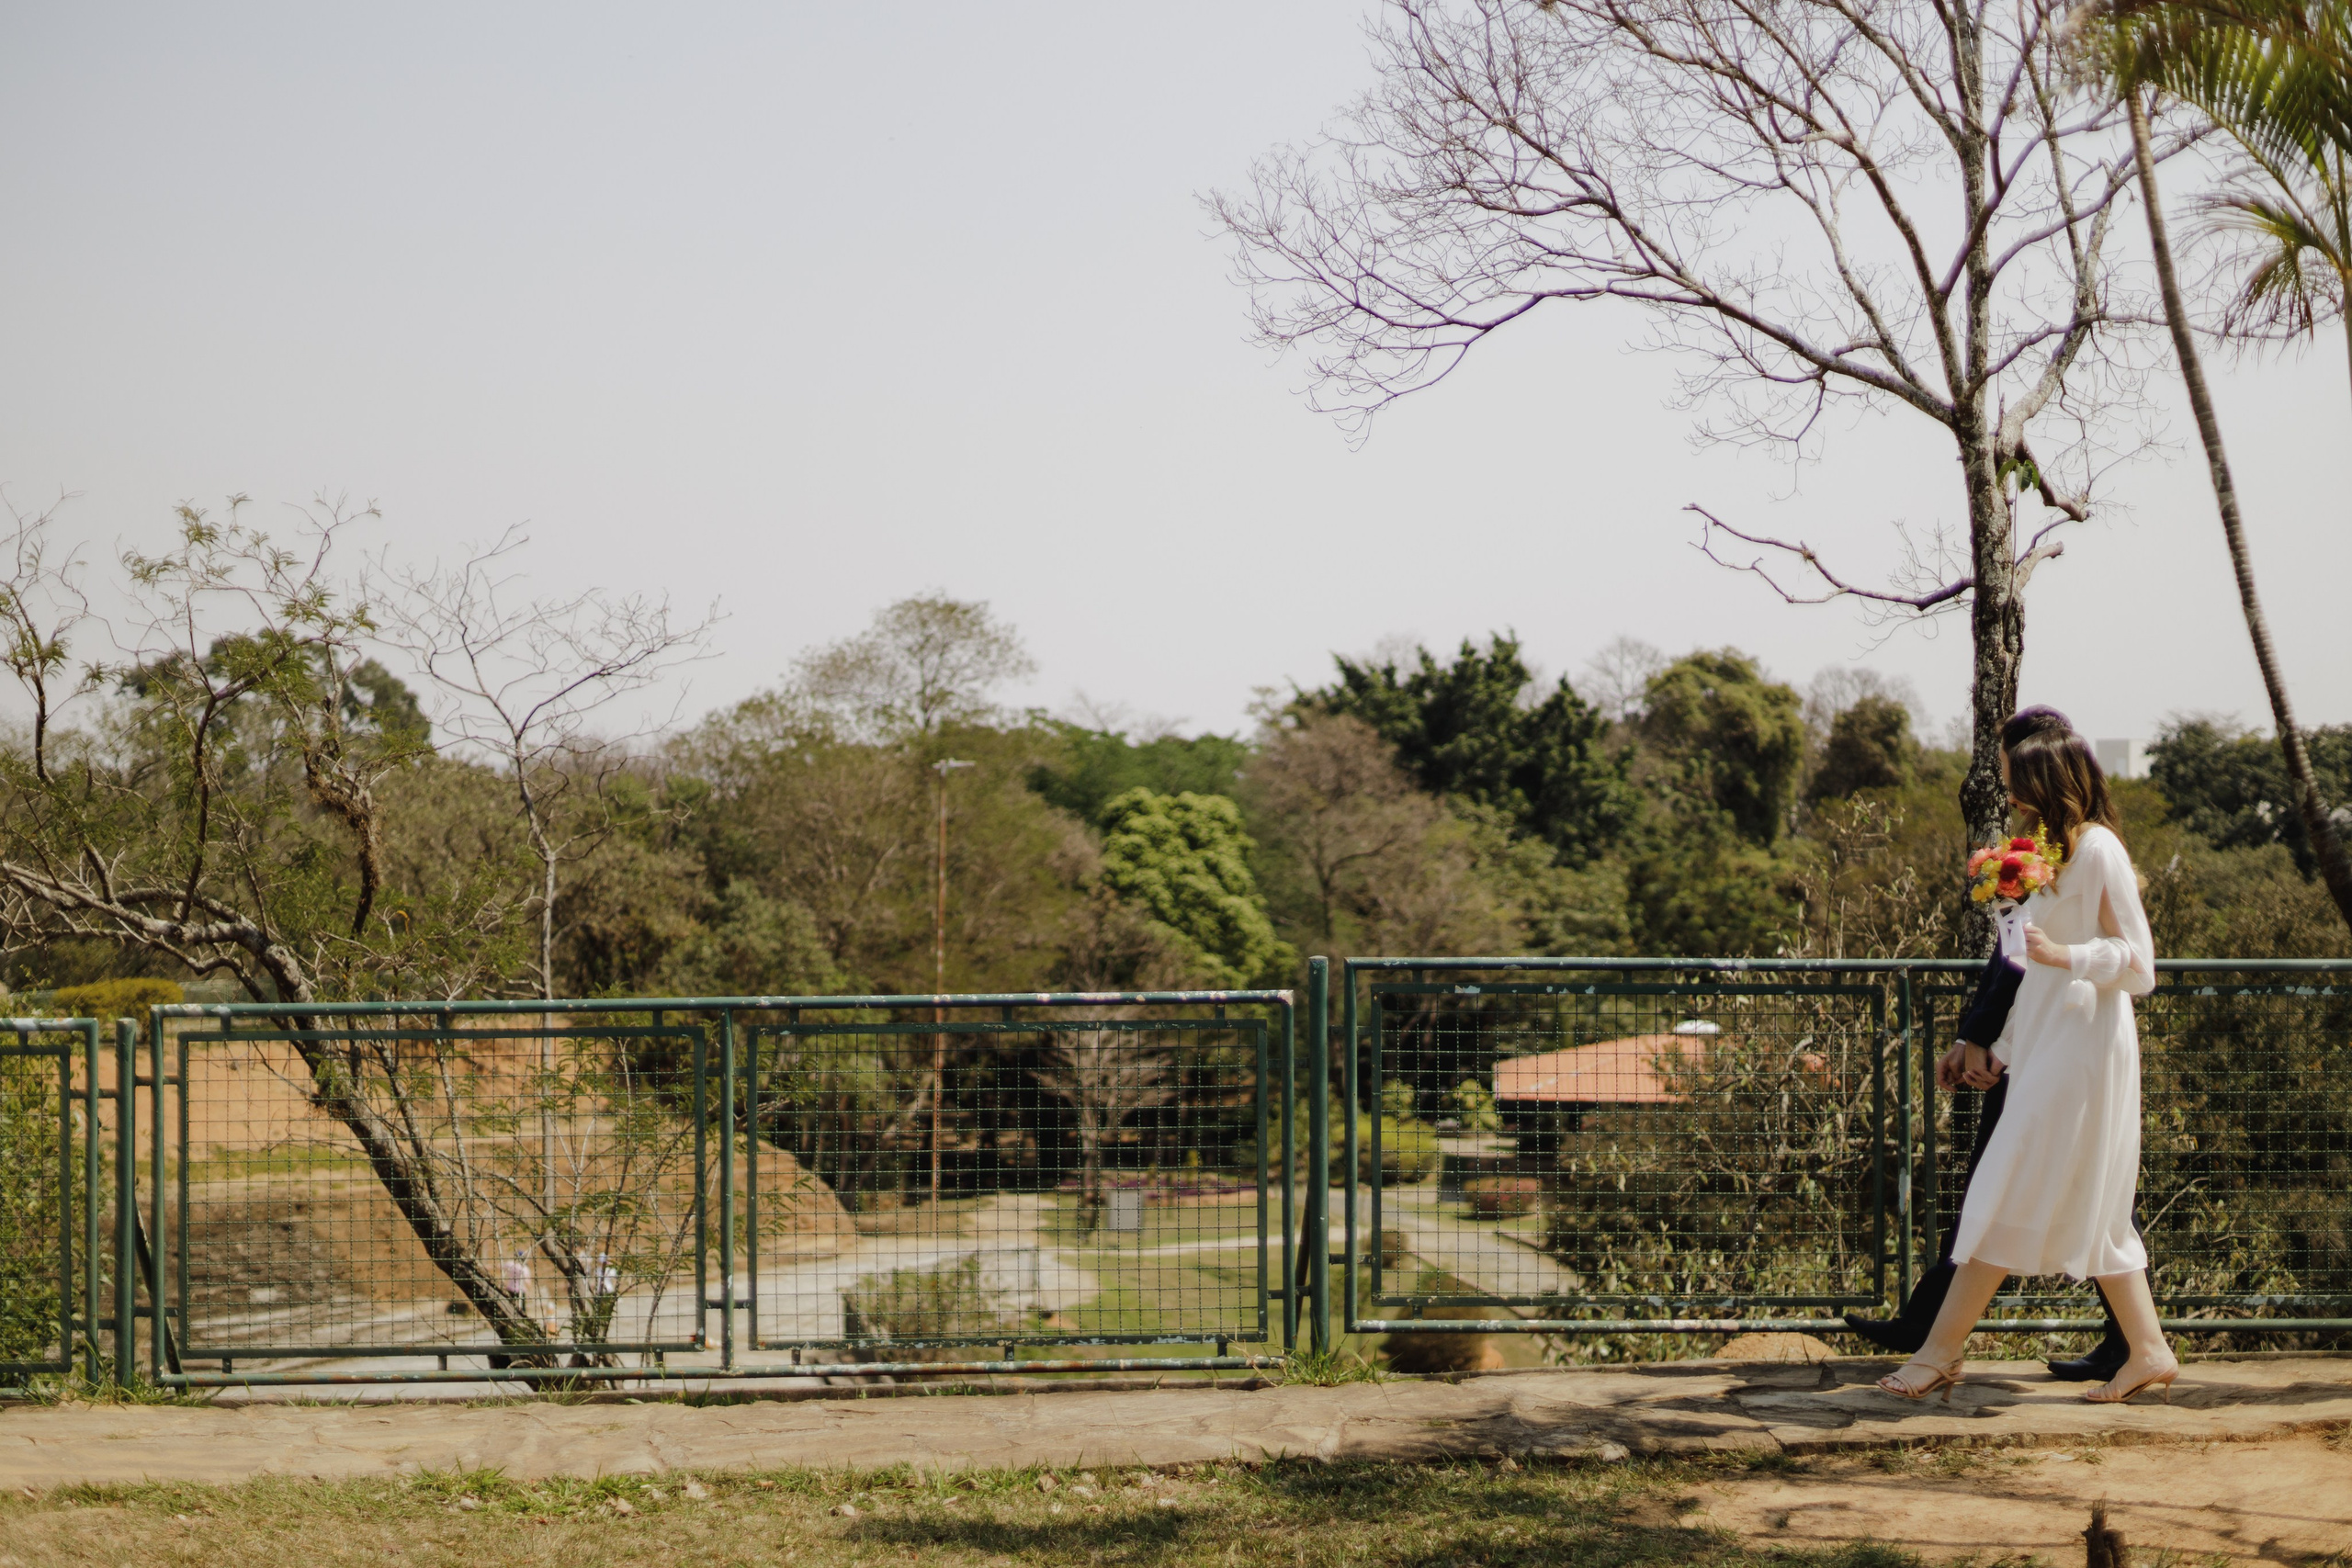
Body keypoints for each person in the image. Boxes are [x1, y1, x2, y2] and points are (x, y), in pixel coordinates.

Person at [1875, 720, 2177, 1406]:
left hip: (2087, 1046)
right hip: (2046, 1043)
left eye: (2015, 778)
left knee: (2006, 1184)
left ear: (2046, 780)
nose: (2007, 789)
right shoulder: (2040, 851)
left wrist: (2066, 955)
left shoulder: (2099, 849)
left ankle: (1940, 1351)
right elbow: (2026, 970)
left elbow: (2141, 967)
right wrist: (2003, 1049)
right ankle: (2150, 1349)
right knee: (2087, 1205)